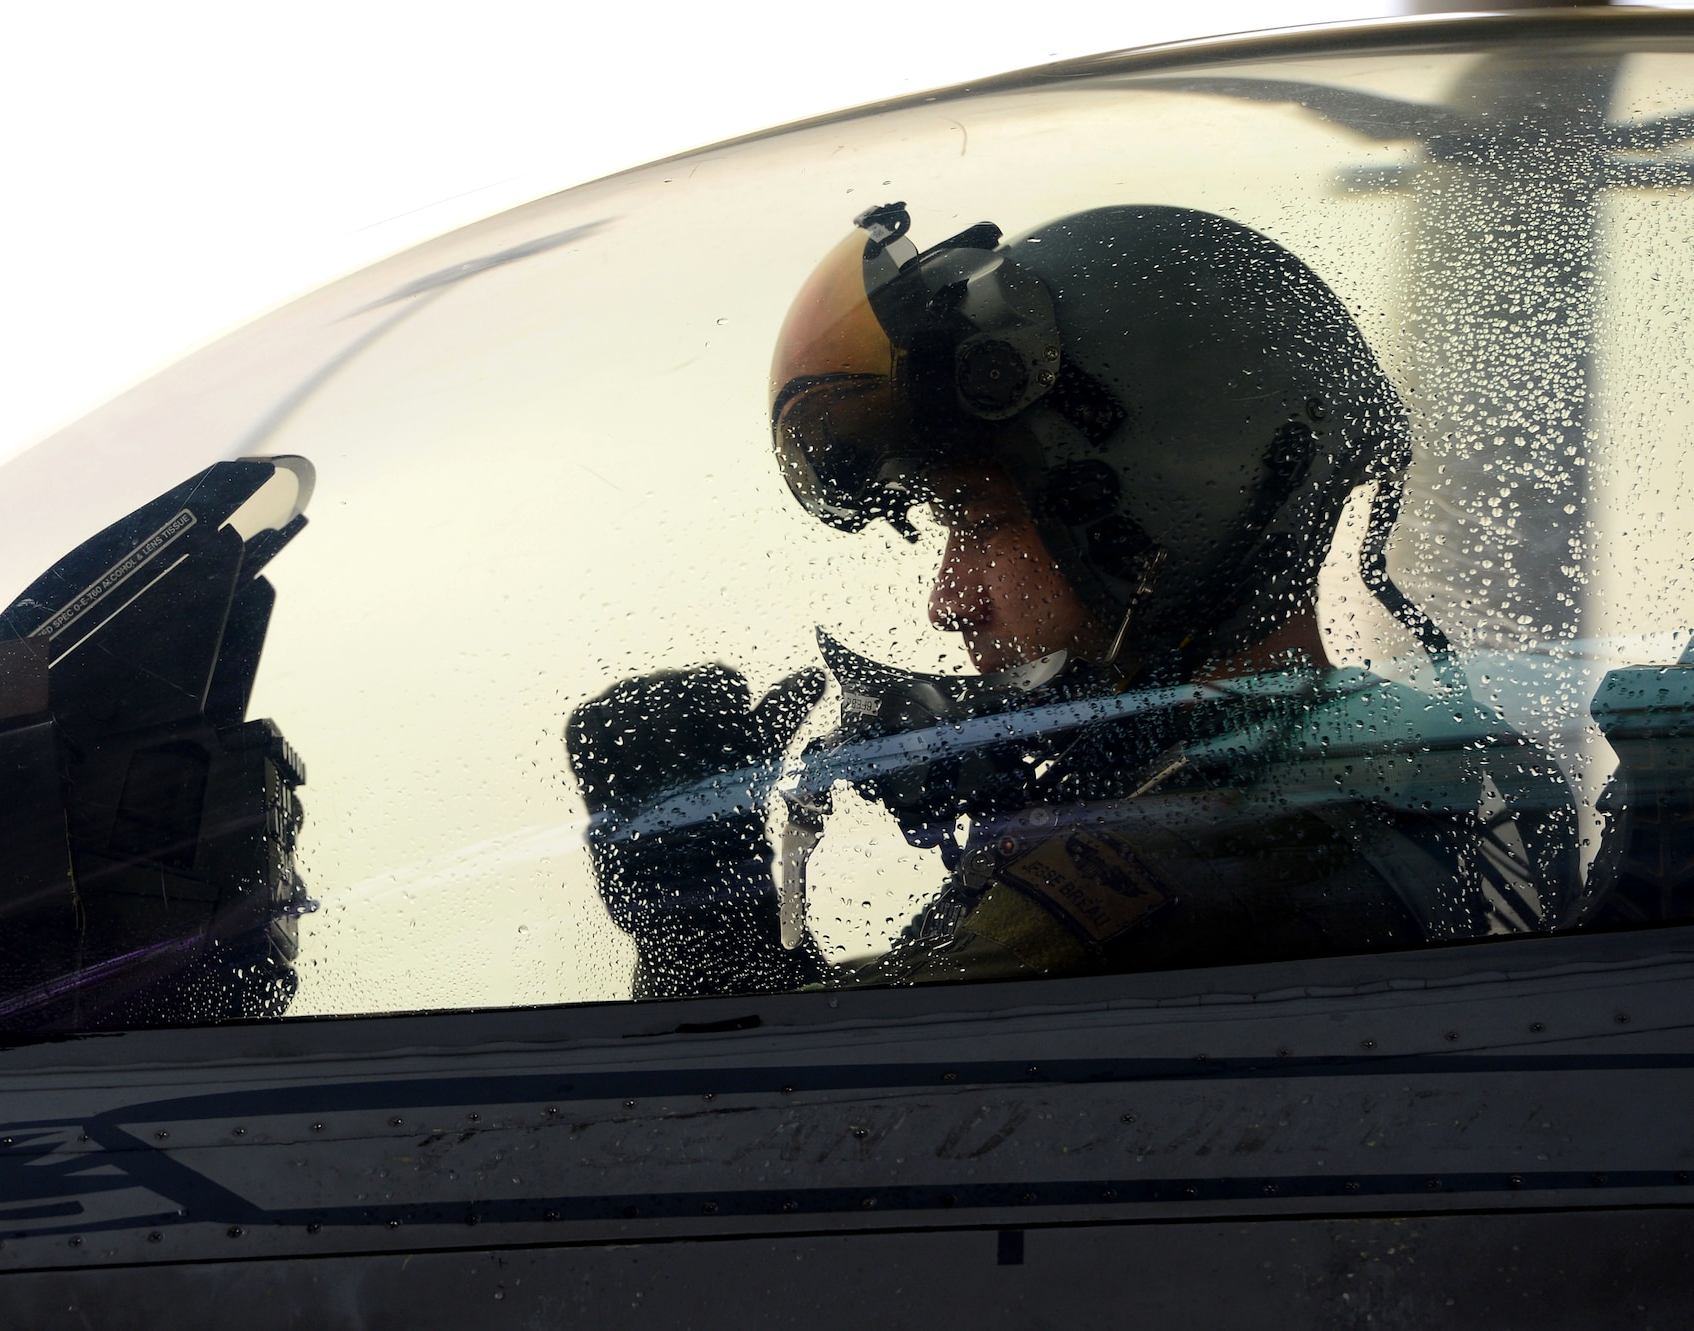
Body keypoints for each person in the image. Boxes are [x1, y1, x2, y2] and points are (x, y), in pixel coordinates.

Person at [567, 204, 1580, 999]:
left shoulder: (1175, 856)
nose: (946, 601)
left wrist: (693, 932)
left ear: (1149, 510)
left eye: (980, 525)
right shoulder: (1443, 761)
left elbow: (801, 1138)